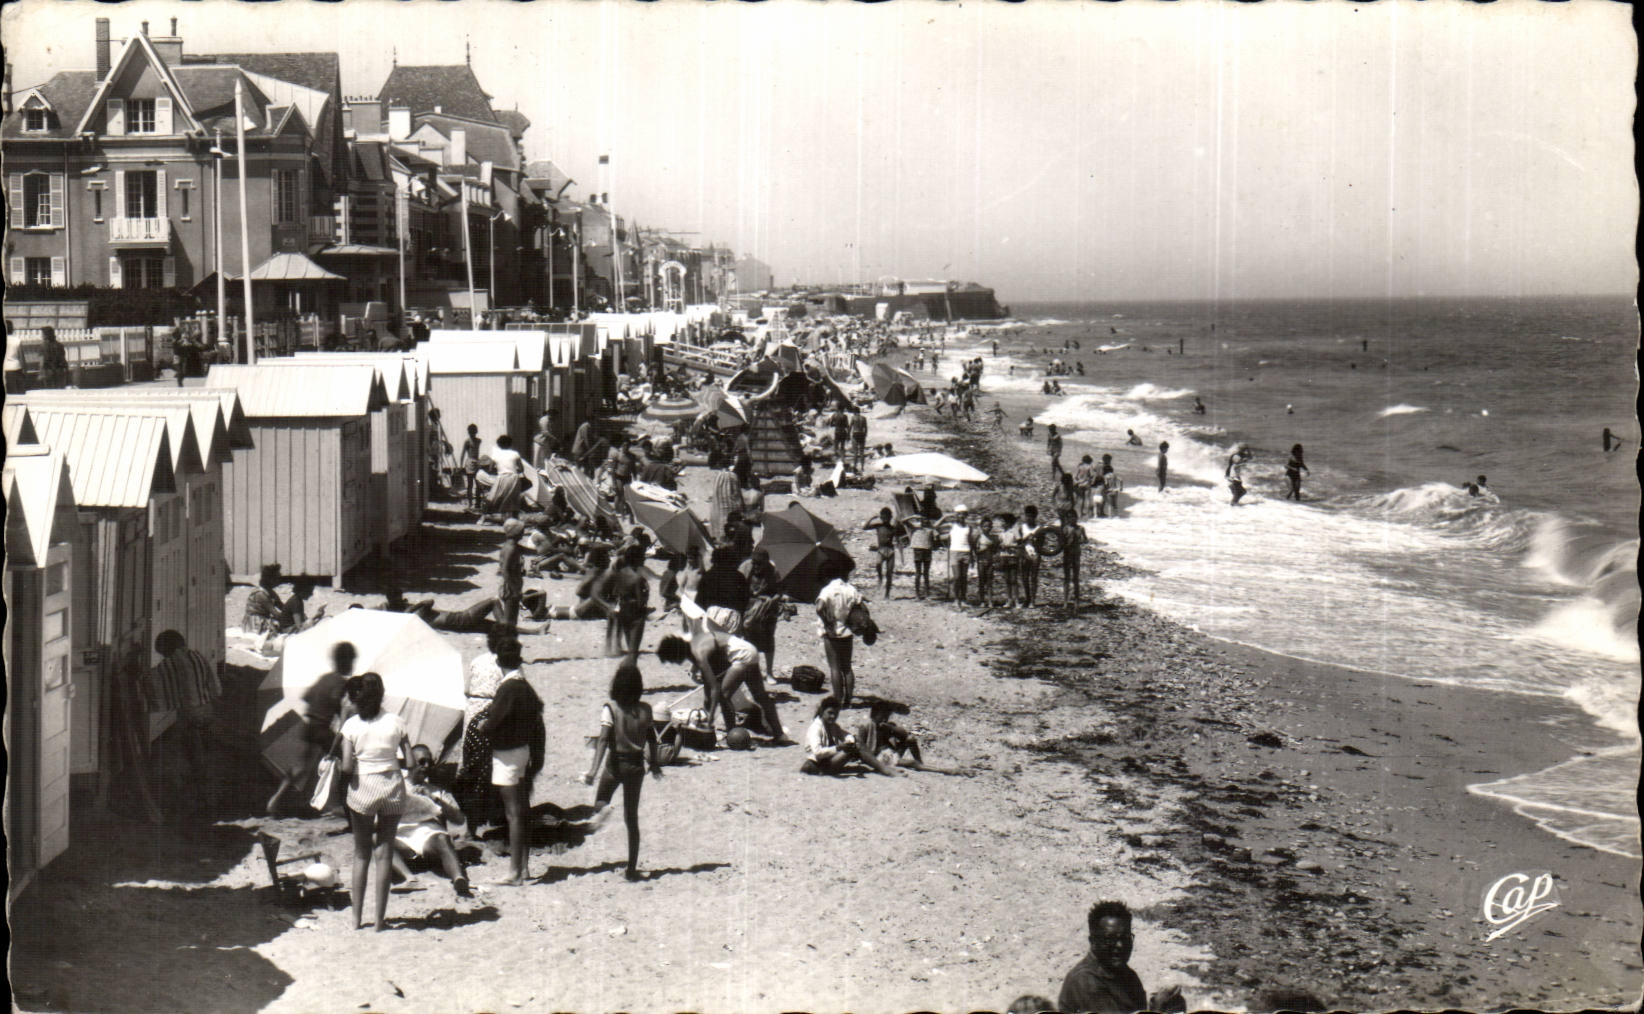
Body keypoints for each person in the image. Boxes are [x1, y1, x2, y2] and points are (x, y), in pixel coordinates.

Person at [339, 673, 411, 931]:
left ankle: (357, 920)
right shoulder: (397, 722)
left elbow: (347, 766)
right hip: (392, 785)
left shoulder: (351, 726)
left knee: (361, 854)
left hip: (363, 787)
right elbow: (411, 762)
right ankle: (380, 921)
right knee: (385, 851)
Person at [581, 659, 665, 881]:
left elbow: (602, 740)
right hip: (637, 766)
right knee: (632, 818)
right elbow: (652, 741)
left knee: (600, 802)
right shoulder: (646, 710)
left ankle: (606, 809)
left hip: (615, 763)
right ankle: (631, 869)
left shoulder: (611, 709)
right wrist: (654, 764)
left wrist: (592, 771)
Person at [656, 625, 788, 744]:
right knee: (760, 696)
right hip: (749, 649)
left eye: (672, 660)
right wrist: (707, 707)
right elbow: (709, 682)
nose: (675, 663)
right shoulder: (694, 645)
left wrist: (709, 720)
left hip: (741, 656)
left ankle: (732, 734)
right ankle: (780, 734)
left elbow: (714, 689)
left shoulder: (698, 654)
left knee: (724, 696)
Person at [484, 640, 544, 884]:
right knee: (522, 810)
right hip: (523, 750)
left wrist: (483, 725)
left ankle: (514, 872)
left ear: (498, 662)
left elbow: (493, 721)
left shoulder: (508, 688)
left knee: (514, 814)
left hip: (507, 754)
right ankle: (524, 867)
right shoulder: (524, 686)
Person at [1058, 900, 1186, 1014]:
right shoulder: (1085, 980)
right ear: (1093, 941)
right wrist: (1158, 1010)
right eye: (1110, 939)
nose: (1119, 945)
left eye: (1125, 938)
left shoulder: (1126, 975)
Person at [149, 630, 223, 816]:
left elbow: (155, 680)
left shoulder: (174, 662)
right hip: (207, 710)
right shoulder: (197, 655)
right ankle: (210, 795)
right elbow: (213, 685)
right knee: (205, 751)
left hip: (190, 714)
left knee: (192, 755)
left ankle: (198, 799)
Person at [394, 745, 472, 900]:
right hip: (400, 833)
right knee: (377, 838)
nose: (427, 766)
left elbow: (459, 819)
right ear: (410, 763)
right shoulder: (396, 786)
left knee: (442, 838)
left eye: (429, 762)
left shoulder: (437, 790)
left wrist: (434, 798)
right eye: (421, 762)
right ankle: (410, 878)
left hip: (428, 833)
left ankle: (459, 879)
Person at [814, 558, 867, 707]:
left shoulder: (827, 590)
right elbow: (861, 605)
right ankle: (848, 699)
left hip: (832, 633)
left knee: (834, 667)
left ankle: (838, 699)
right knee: (847, 667)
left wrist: (826, 622)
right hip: (847, 631)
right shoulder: (850, 588)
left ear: (825, 577)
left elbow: (819, 608)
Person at [801, 696, 894, 776]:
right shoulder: (816, 728)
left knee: (856, 741)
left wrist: (850, 741)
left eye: (836, 714)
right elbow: (817, 753)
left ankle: (880, 766)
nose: (833, 716)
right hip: (819, 765)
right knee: (857, 745)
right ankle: (883, 769)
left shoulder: (832, 726)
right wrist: (838, 748)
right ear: (822, 711)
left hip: (828, 761)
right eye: (830, 713)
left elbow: (846, 735)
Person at [602, 542, 652, 657]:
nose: (644, 559)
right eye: (642, 557)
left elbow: (615, 591)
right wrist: (646, 595)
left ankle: (615, 649)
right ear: (636, 559)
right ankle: (631, 649)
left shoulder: (620, 573)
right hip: (632, 609)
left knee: (622, 628)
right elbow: (640, 601)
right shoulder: (638, 578)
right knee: (634, 632)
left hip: (621, 606)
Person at [853, 700, 924, 770]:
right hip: (879, 756)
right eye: (882, 716)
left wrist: (891, 728)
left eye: (887, 716)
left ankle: (920, 762)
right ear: (874, 715)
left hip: (893, 752)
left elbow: (905, 735)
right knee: (911, 763)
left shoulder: (888, 726)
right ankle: (918, 765)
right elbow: (861, 746)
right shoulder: (866, 726)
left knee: (911, 739)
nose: (884, 719)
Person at [241, 563, 288, 643]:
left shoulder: (270, 592)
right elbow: (275, 613)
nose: (279, 581)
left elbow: (282, 606)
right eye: (276, 578)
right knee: (278, 627)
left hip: (263, 618)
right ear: (270, 579)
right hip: (255, 620)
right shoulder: (260, 594)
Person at [496, 519, 526, 632]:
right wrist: (515, 590)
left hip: (512, 583)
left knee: (512, 616)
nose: (523, 533)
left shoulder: (511, 546)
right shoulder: (511, 549)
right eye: (522, 531)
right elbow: (505, 570)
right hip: (510, 586)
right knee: (510, 618)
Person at [865, 507, 899, 598]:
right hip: (881, 549)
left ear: (890, 518)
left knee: (889, 573)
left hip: (890, 551)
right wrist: (872, 518)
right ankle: (880, 577)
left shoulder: (892, 528)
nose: (885, 520)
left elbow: (898, 536)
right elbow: (865, 527)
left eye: (887, 518)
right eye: (883, 518)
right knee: (878, 564)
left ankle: (887, 594)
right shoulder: (879, 526)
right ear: (881, 518)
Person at [945, 505, 974, 607]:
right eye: (959, 514)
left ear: (966, 515)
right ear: (956, 515)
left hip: (966, 552)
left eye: (963, 514)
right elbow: (935, 526)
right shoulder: (951, 526)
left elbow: (971, 542)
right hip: (954, 552)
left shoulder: (969, 527)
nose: (961, 516)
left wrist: (972, 556)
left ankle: (963, 598)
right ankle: (956, 598)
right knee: (957, 577)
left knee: (964, 577)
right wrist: (945, 517)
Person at [1015, 505, 1042, 608]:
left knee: (1033, 577)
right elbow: (1018, 542)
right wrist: (1026, 539)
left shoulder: (1039, 528)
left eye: (1031, 516)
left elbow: (1042, 543)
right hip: (1024, 553)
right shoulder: (1022, 527)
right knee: (1024, 577)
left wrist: (1034, 540)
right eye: (1027, 516)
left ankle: (1033, 600)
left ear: (1035, 516)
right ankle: (1027, 598)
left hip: (1035, 554)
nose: (1029, 518)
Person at [1058, 509, 1086, 607]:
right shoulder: (1065, 529)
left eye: (1074, 517)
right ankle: (1065, 601)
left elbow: (1086, 540)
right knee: (1066, 578)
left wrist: (1080, 541)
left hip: (1076, 554)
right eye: (1070, 518)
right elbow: (1060, 542)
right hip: (1067, 554)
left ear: (1077, 518)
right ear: (1067, 519)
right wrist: (1065, 543)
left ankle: (1076, 601)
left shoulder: (1081, 528)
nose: (1072, 520)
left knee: (1075, 578)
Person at [906, 514, 935, 600]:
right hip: (918, 550)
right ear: (921, 520)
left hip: (927, 550)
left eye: (926, 519)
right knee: (918, 573)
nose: (925, 521)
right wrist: (913, 516)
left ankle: (927, 594)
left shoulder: (930, 529)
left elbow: (934, 538)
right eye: (923, 519)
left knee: (926, 573)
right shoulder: (915, 527)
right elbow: (903, 521)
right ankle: (917, 594)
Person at [459, 424, 485, 508]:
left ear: (476, 432)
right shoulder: (467, 441)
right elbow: (462, 454)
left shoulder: (479, 441)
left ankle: (478, 502)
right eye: (471, 432)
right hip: (469, 462)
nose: (472, 433)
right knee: (470, 484)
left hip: (476, 462)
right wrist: (461, 465)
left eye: (474, 431)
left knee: (478, 483)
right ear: (468, 432)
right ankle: (470, 503)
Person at [1072, 455, 1097, 519]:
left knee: (1081, 499)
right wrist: (1092, 482)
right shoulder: (1089, 467)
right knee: (1087, 499)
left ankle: (1080, 513)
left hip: (1080, 484)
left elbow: (1075, 476)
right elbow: (1092, 475)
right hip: (1086, 484)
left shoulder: (1080, 466)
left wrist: (1076, 482)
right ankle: (1088, 514)